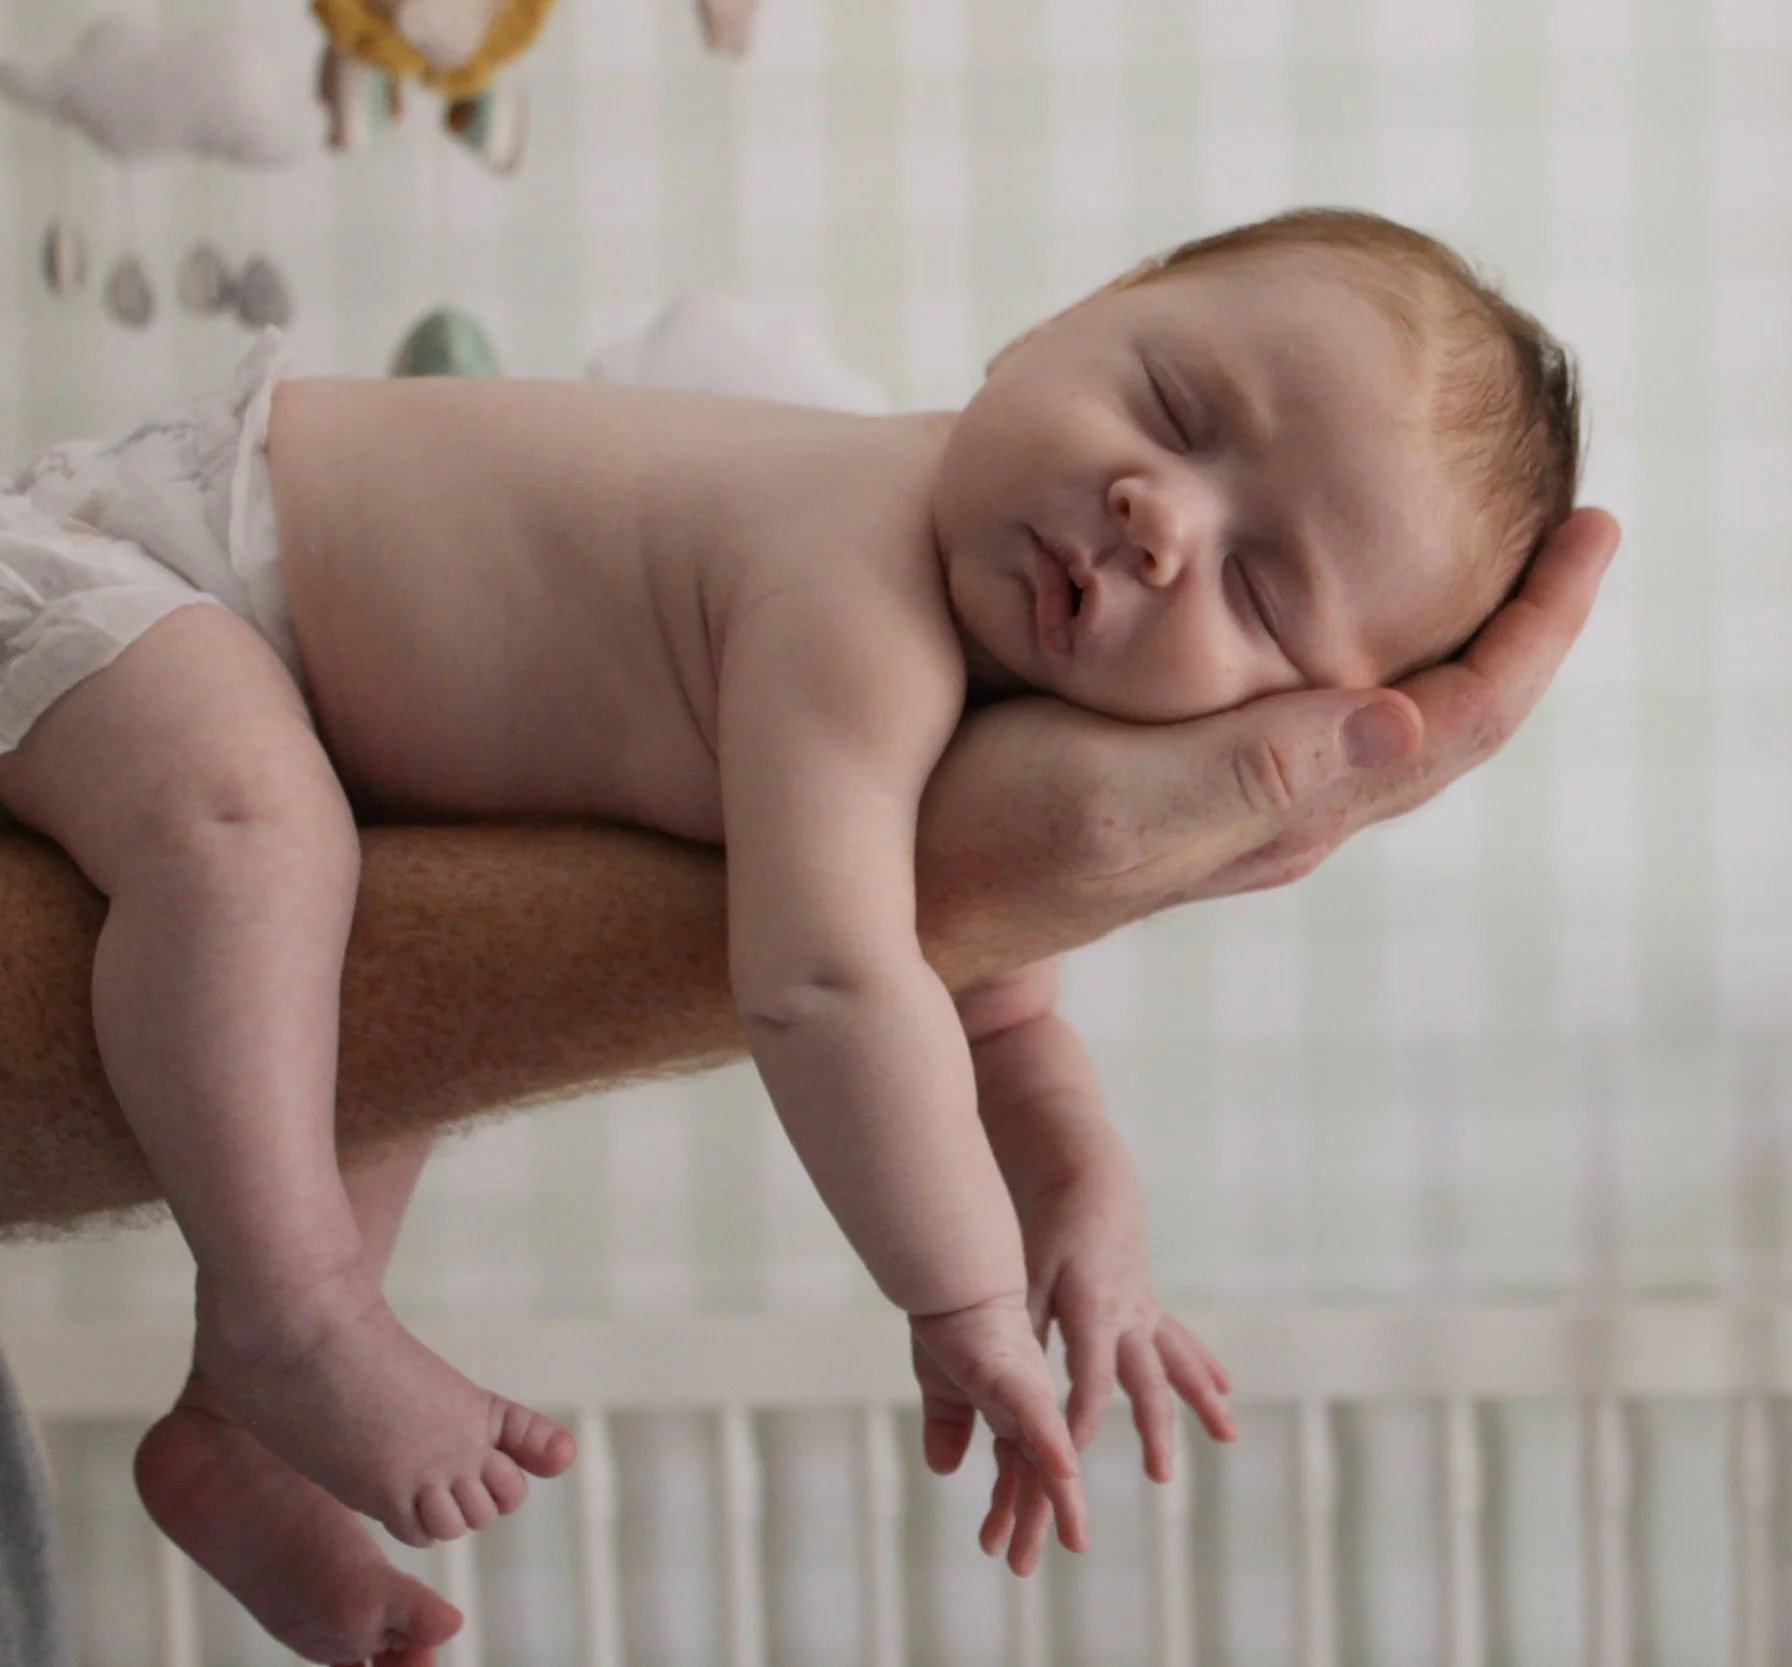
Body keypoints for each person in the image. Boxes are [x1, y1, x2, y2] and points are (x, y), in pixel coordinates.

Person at [0, 205, 1596, 1656]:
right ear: (1074, 316)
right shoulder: (858, 584)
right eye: (1173, 408)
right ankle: (294, 1315)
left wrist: (1088, 1212)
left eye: (1256, 590)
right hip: (145, 557)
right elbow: (829, 980)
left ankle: (236, 1439)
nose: (1158, 517)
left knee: (359, 1030)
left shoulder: (984, 686)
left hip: (297, 694)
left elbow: (995, 1004)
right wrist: (965, 1301)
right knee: (254, 840)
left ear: (1289, 719)